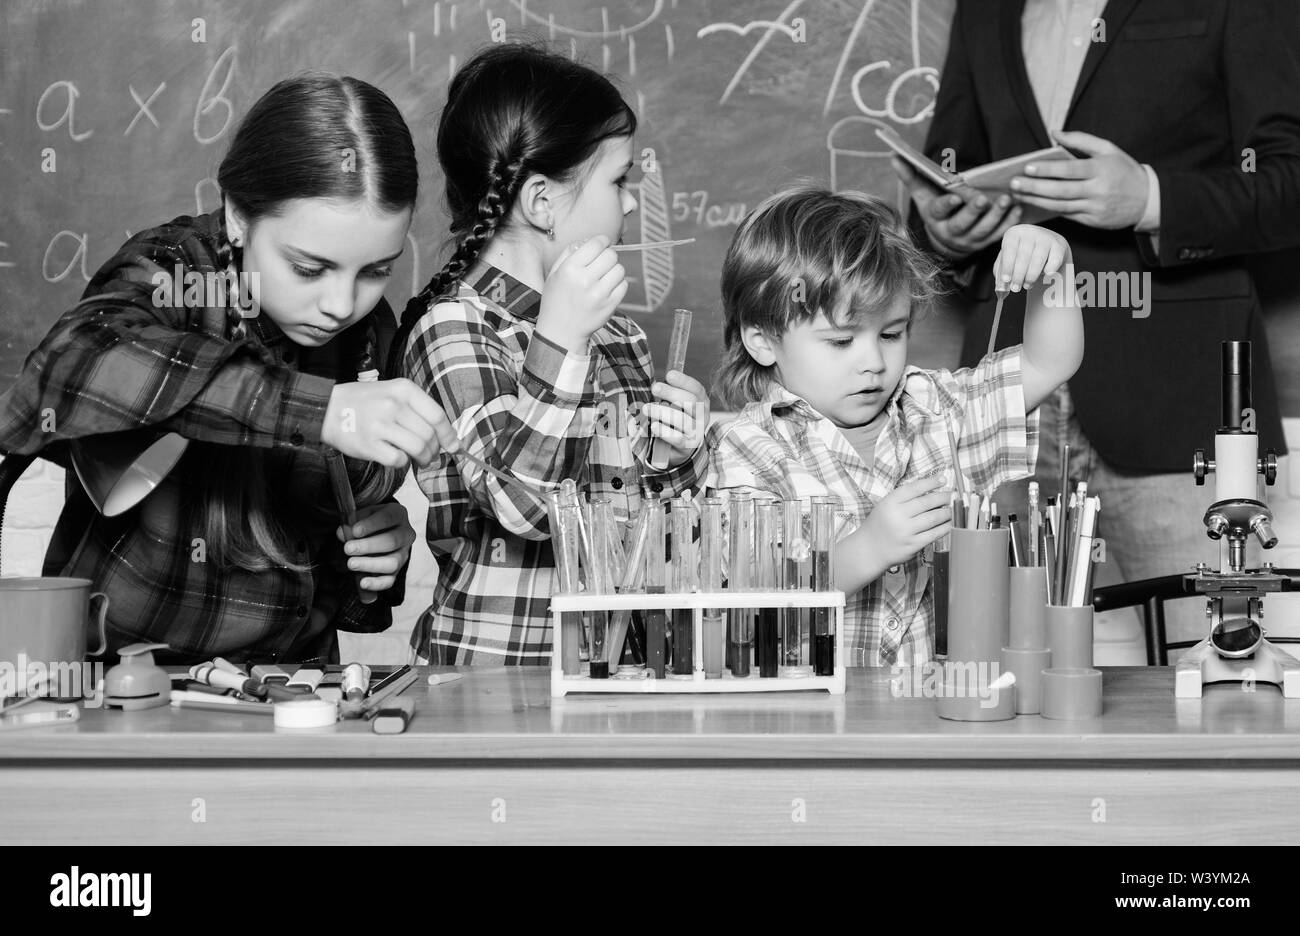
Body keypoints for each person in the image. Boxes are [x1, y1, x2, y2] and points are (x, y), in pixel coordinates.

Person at [0, 73, 460, 665]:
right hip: (124, 688)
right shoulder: (182, 275)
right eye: (308, 267)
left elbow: (319, 560)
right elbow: (73, 362)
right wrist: (323, 410)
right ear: (239, 215)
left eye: (375, 271)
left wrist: (377, 552)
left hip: (290, 692)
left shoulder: (368, 333)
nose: (342, 305)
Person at [899, 0, 1300, 655]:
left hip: (1178, 396)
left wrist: (1148, 197)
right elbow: (948, 170)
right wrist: (942, 226)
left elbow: (1290, 180)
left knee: (1211, 665)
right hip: (1006, 388)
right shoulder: (984, 8)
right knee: (978, 665)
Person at [394, 43, 710, 665]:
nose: (629, 203)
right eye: (618, 181)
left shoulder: (619, 337)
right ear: (541, 202)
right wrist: (560, 343)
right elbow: (524, 508)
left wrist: (675, 459)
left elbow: (657, 536)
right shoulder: (452, 328)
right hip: (494, 684)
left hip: (618, 668)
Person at [707, 185, 1082, 666]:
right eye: (841, 341)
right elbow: (756, 595)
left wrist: (1056, 267)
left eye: (892, 333)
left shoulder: (937, 408)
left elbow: (1049, 363)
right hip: (813, 724)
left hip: (934, 715)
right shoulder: (746, 447)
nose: (873, 362)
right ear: (762, 342)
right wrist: (868, 548)